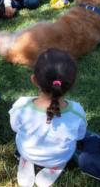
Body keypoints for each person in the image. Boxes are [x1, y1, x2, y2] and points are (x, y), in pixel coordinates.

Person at [9, 49, 86, 187]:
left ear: (34, 80)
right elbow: (80, 136)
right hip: (59, 157)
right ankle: (55, 166)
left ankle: (26, 159)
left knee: (24, 147)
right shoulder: (77, 112)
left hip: (26, 150)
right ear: (71, 84)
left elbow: (14, 127)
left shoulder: (21, 106)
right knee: (66, 152)